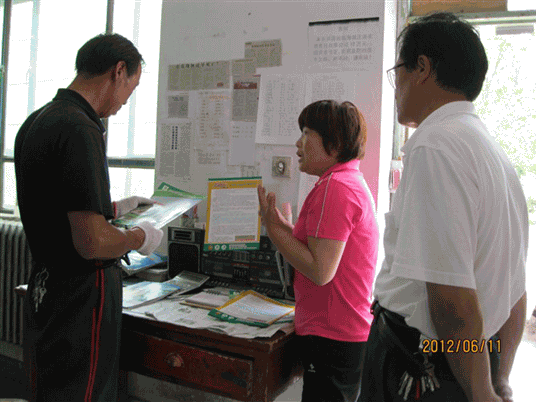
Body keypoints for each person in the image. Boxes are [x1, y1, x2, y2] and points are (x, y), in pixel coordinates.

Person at [358, 12, 528, 402]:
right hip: (470, 360)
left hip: (421, 363)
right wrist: (499, 378)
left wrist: (482, 394)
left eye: (398, 72)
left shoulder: (434, 145)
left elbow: (451, 299)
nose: (396, 88)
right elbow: (514, 287)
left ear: (422, 68)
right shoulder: (492, 152)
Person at [14, 33, 164, 401]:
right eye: (131, 88)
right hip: (80, 297)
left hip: (47, 285)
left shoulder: (38, 121)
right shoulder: (81, 128)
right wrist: (138, 237)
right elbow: (92, 242)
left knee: (53, 389)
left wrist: (114, 209)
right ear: (118, 71)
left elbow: (54, 206)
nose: (126, 101)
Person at [258, 100, 379, 402]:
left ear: (334, 144)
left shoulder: (336, 187)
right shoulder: (346, 181)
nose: (298, 143)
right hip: (340, 333)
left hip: (333, 335)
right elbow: (319, 251)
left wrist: (274, 231)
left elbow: (320, 270)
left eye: (307, 133)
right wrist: (283, 228)